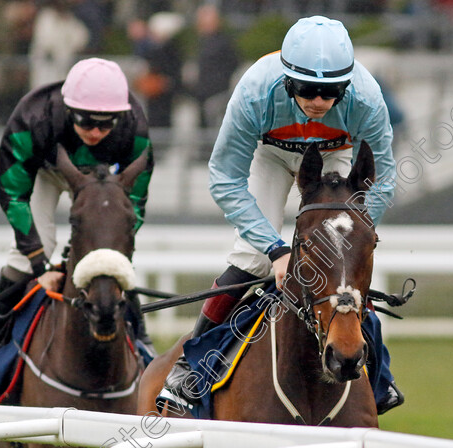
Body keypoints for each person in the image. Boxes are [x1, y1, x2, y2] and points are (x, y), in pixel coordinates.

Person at [160, 16, 403, 414]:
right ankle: (191, 364)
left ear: (348, 85)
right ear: (288, 80)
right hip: (270, 156)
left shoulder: (367, 98)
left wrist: (354, 235)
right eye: (308, 90)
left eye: (331, 92)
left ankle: (379, 374)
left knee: (343, 260)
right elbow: (225, 178)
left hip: (333, 153)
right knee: (253, 258)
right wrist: (276, 250)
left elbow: (386, 178)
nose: (319, 102)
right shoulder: (255, 91)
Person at [0, 58, 156, 378]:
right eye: (87, 122)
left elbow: (134, 203)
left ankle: (140, 336)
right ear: (70, 111)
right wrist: (41, 265)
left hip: (101, 179)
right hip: (45, 170)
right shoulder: (32, 119)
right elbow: (12, 195)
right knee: (32, 249)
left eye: (106, 124)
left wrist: (103, 243)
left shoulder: (135, 128)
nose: (96, 131)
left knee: (109, 254)